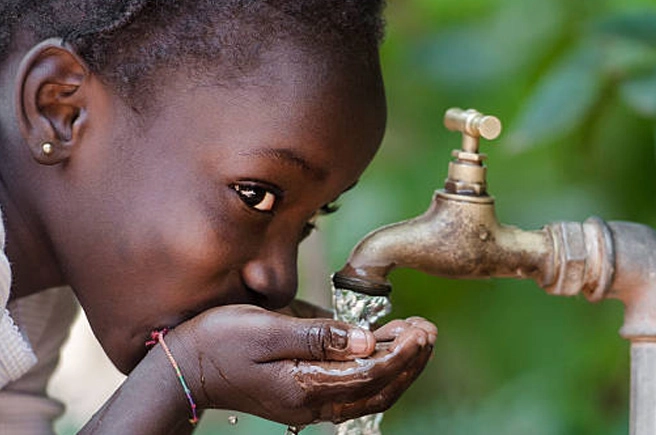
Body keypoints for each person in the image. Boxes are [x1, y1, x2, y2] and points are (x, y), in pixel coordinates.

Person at [0, 0, 438, 433]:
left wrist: (188, 384)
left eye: (309, 220)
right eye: (255, 196)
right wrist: (182, 376)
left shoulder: (30, 303)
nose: (278, 281)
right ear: (60, 110)